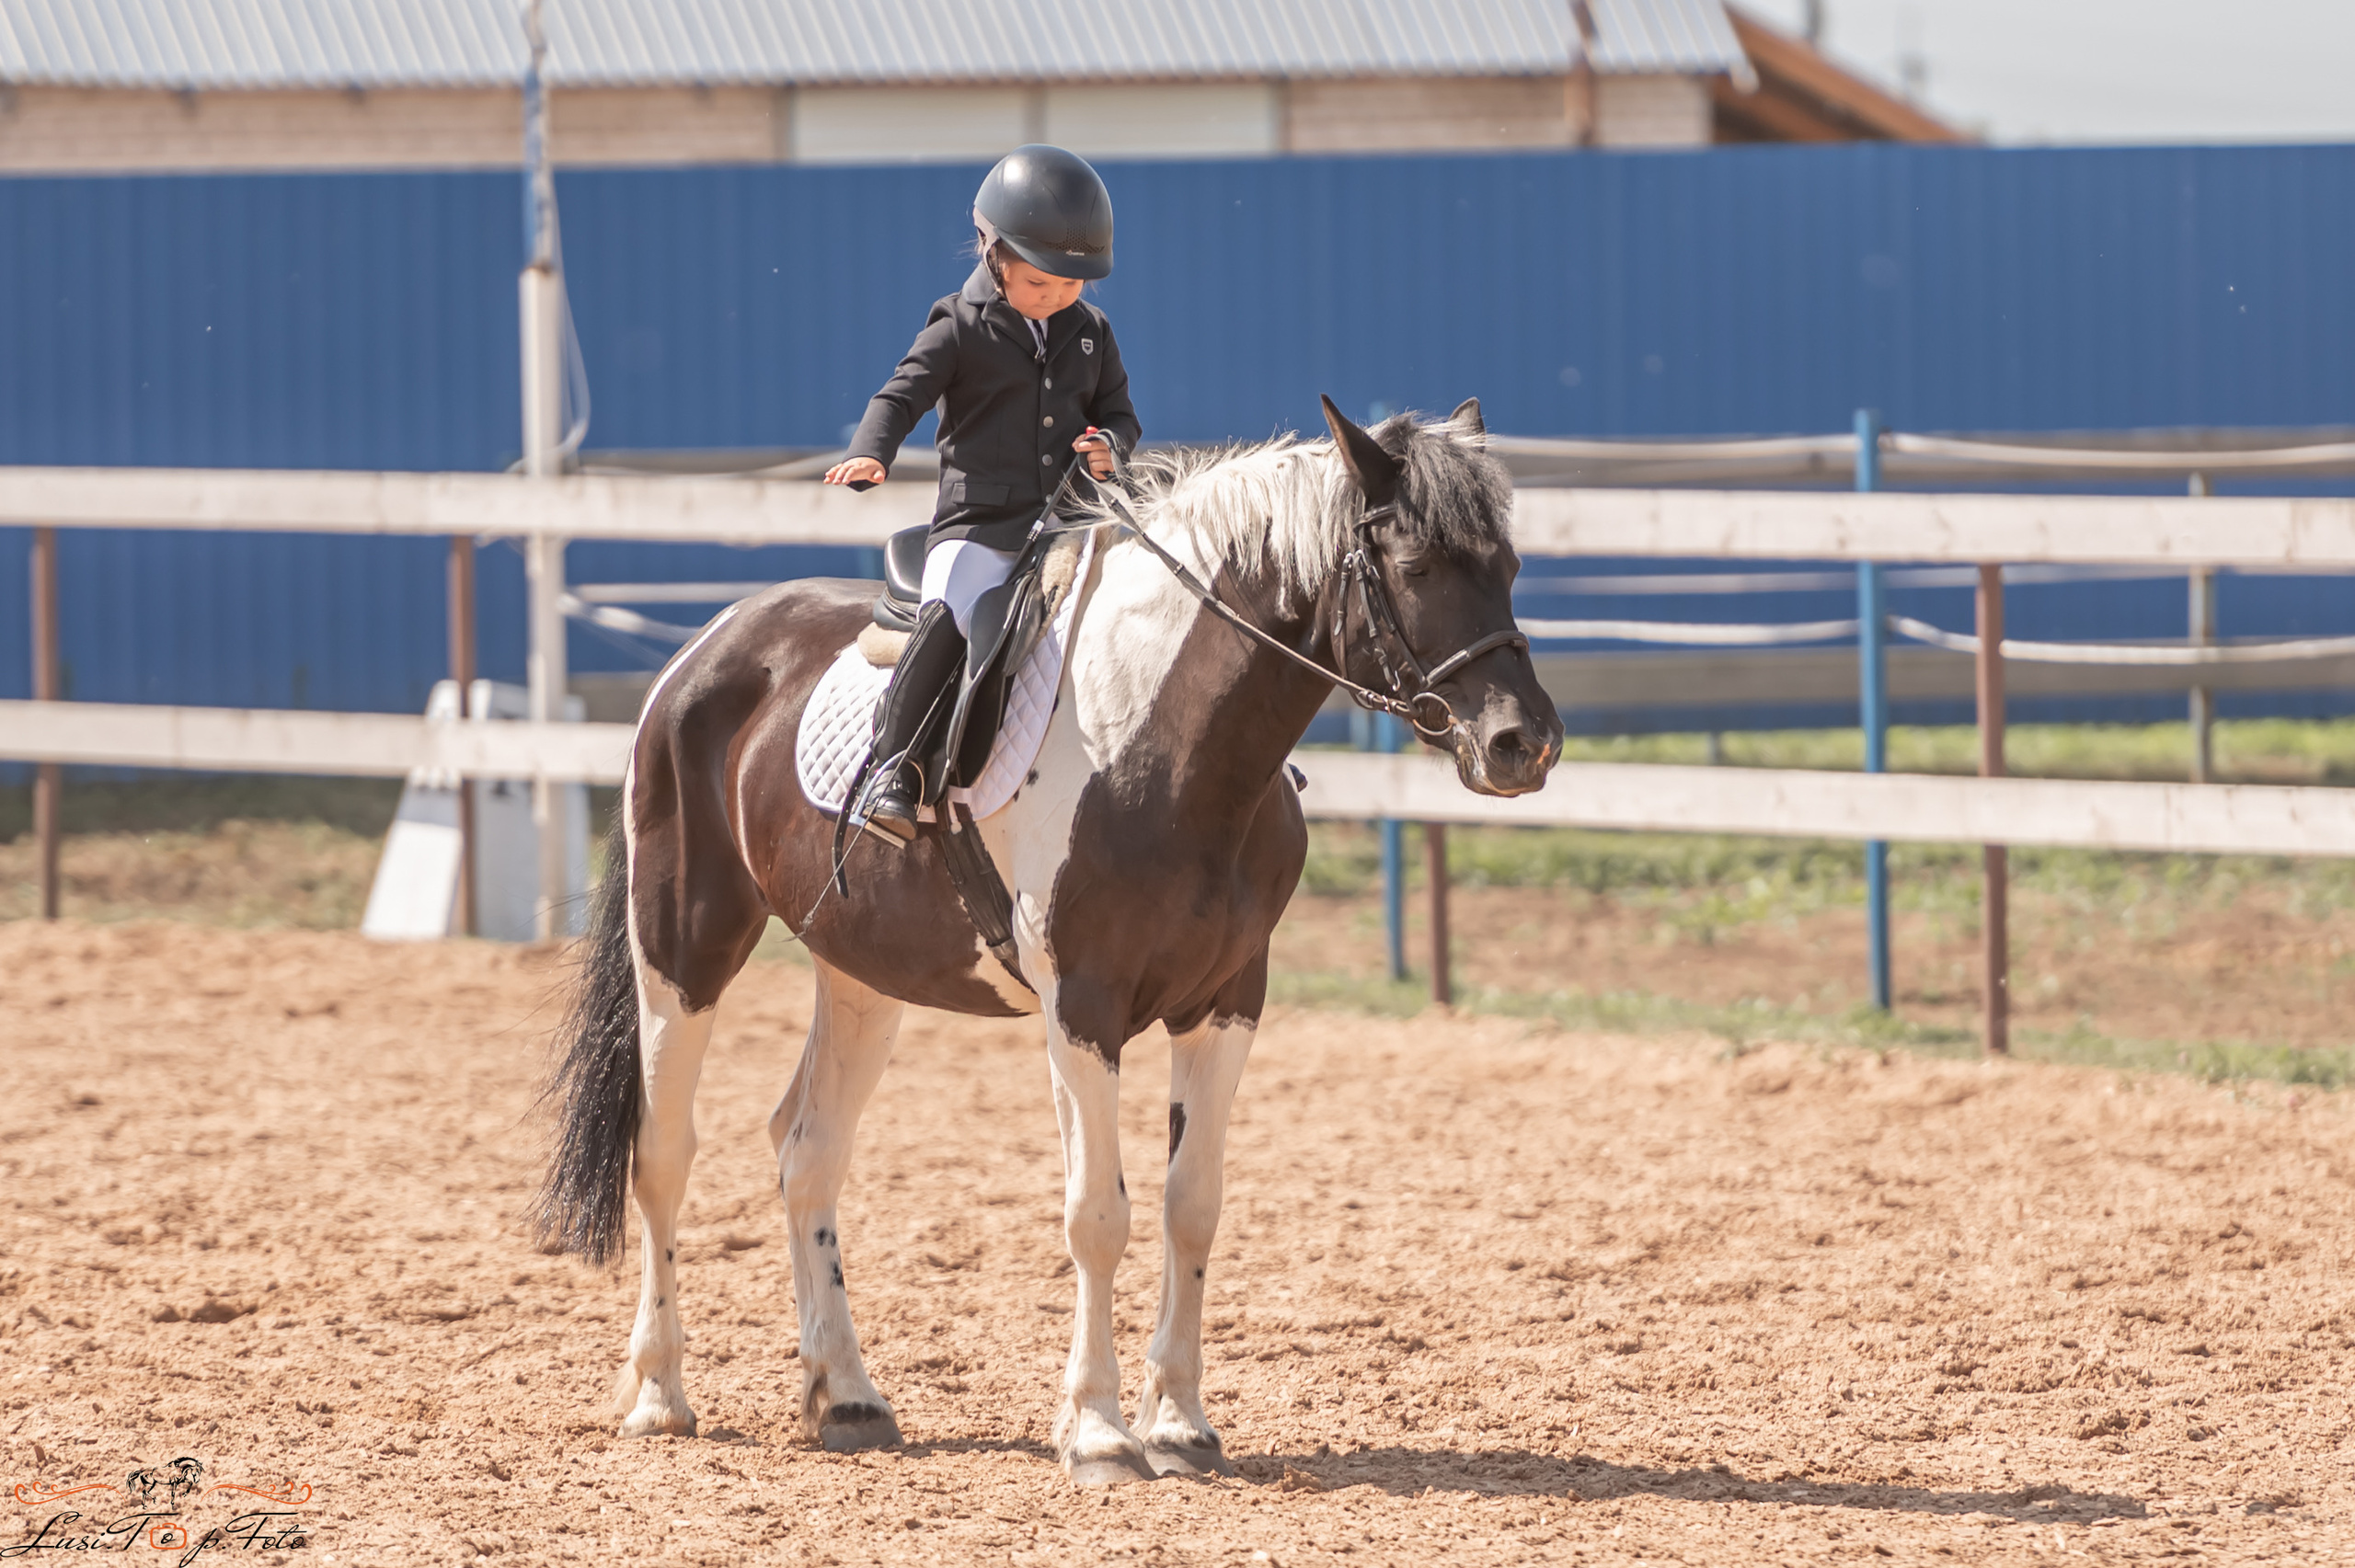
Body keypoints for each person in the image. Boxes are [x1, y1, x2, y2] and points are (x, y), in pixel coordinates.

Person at [824, 143, 1139, 846]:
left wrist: (1108, 448)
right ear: (992, 251)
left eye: (1070, 285)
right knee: (957, 607)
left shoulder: (1091, 335)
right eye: (1038, 282)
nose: (1056, 297)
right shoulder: (958, 326)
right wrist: (870, 453)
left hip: (1067, 521)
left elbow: (1120, 414)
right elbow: (900, 395)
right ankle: (893, 767)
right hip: (978, 525)